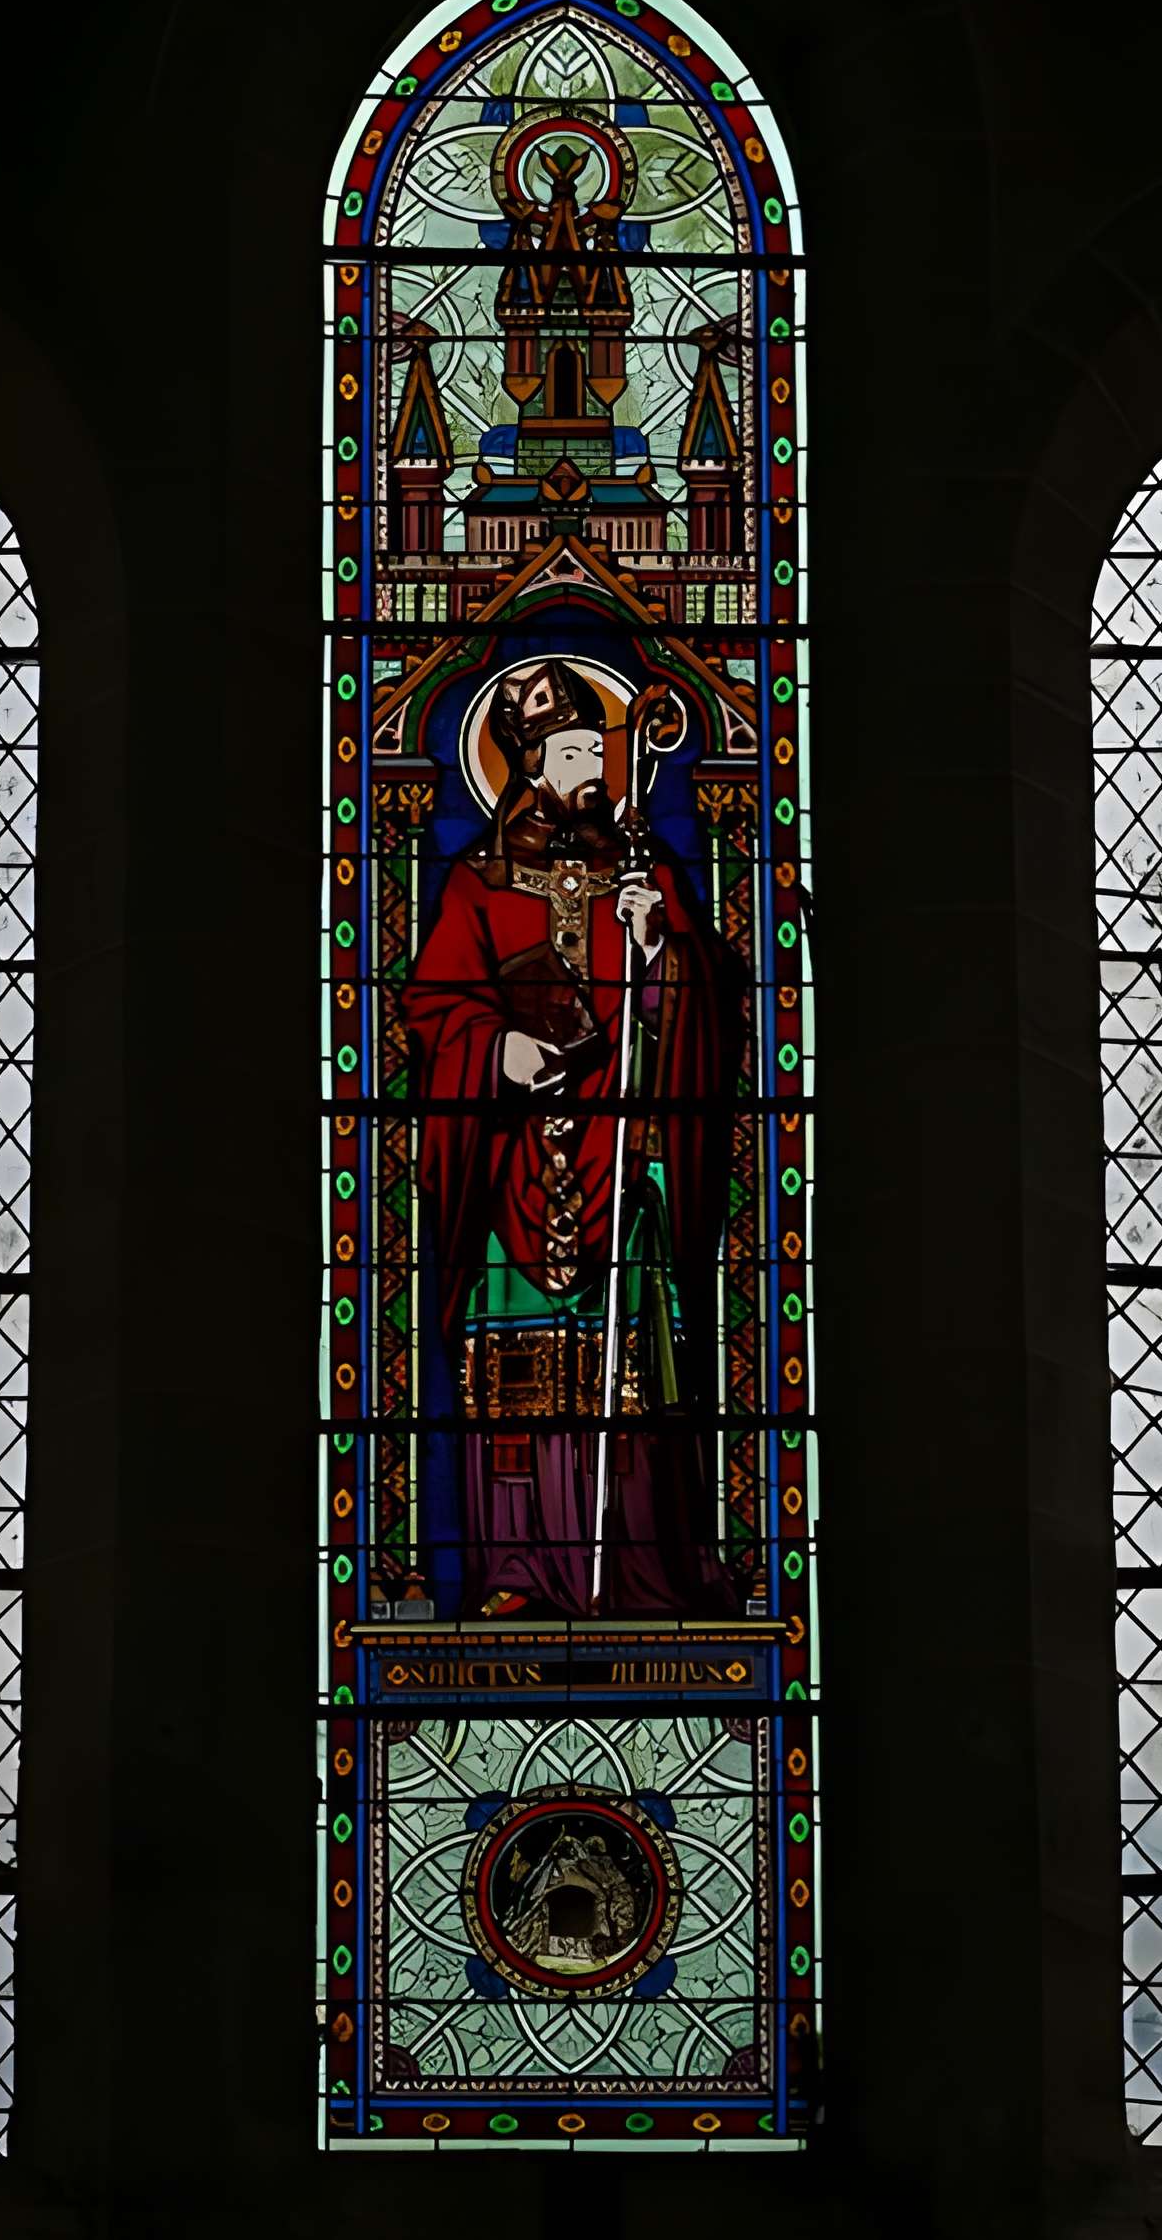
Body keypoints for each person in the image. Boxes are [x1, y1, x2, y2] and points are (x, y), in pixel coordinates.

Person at [402, 657, 740, 1618]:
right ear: (529, 764)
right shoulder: (478, 882)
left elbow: (709, 1004)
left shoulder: (643, 874)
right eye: (578, 749)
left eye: (603, 748)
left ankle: (637, 1573)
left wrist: (657, 953)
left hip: (620, 1158)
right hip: (515, 1166)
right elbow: (432, 1007)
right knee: (514, 1380)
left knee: (626, 1380)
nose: (599, 767)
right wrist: (496, 1047)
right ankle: (517, 1575)